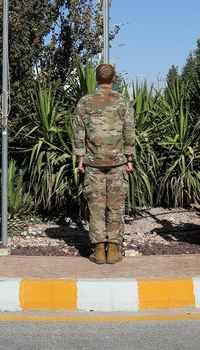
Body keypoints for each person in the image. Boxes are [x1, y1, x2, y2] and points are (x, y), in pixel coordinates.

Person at [72, 63, 136, 265]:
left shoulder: (85, 102)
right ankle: (114, 250)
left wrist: (80, 158)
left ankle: (99, 250)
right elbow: (129, 131)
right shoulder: (123, 102)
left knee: (96, 205)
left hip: (93, 162)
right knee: (116, 205)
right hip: (117, 162)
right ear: (114, 79)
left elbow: (78, 132)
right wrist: (129, 159)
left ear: (96, 79)